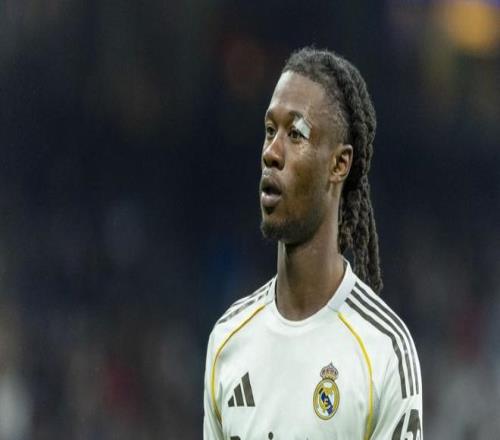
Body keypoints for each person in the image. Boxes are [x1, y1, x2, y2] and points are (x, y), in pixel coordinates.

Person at [203, 47, 422, 440]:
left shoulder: (384, 352)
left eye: (295, 134)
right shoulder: (228, 341)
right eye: (269, 130)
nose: (272, 152)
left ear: (339, 164)